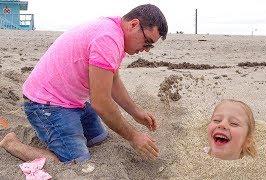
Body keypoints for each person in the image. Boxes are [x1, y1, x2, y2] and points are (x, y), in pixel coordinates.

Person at [0, 4, 168, 163]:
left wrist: (135, 112)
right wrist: (134, 136)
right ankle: (12, 144)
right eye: (147, 42)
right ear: (133, 24)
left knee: (99, 138)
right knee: (75, 161)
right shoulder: (108, 37)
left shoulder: (116, 32)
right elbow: (101, 103)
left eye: (150, 47)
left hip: (73, 101)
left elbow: (113, 80)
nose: (146, 49)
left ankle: (59, 134)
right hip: (44, 104)